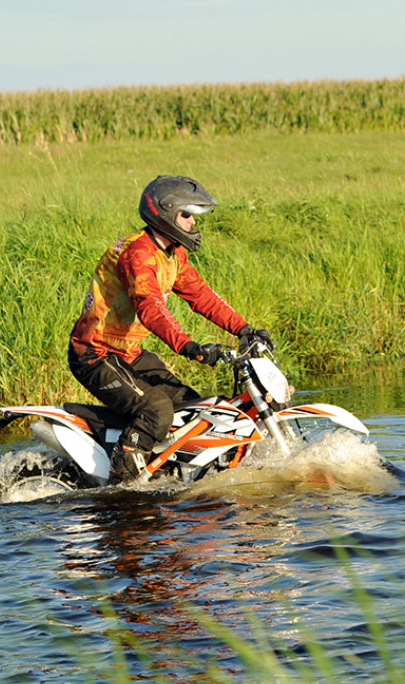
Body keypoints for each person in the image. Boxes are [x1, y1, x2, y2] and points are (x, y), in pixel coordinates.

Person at [67, 175, 273, 484]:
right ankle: (122, 491)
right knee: (156, 410)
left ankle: (168, 475)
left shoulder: (173, 253)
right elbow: (150, 306)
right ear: (165, 212)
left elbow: (200, 294)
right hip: (95, 353)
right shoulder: (138, 254)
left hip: (129, 352)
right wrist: (189, 347)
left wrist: (244, 329)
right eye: (186, 214)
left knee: (191, 408)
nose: (192, 222)